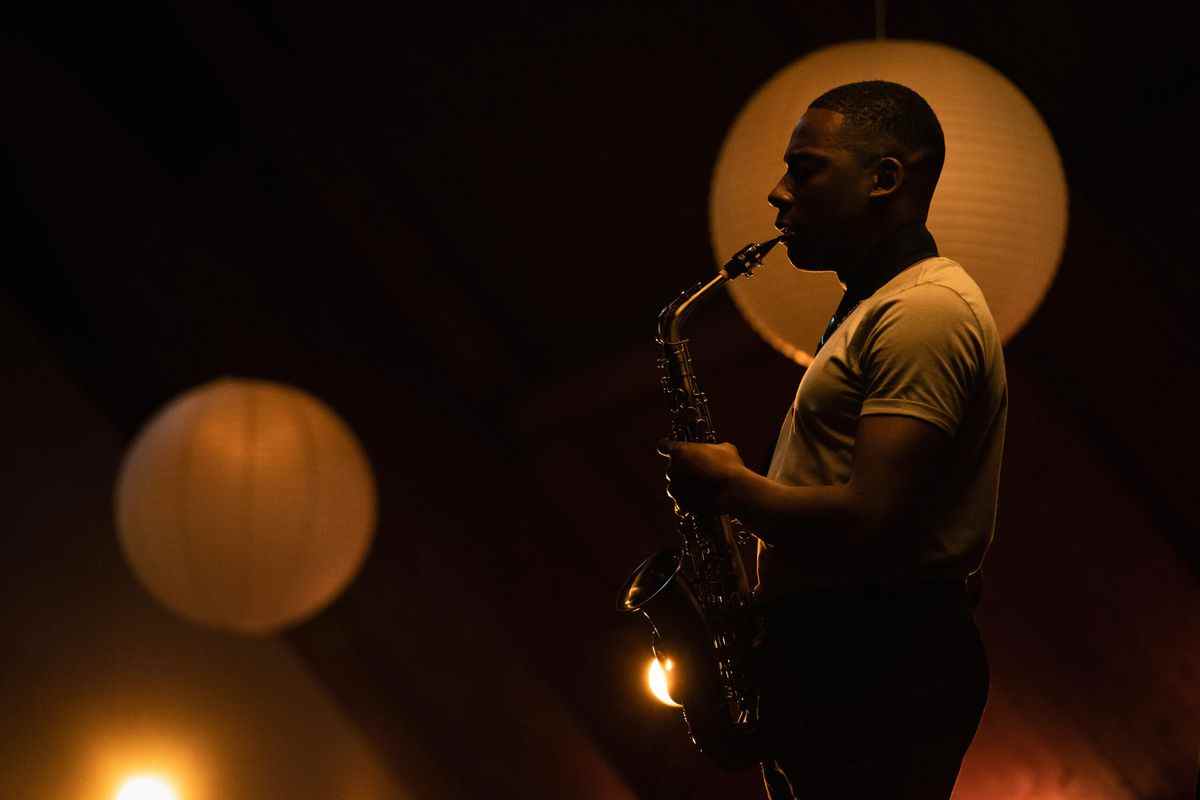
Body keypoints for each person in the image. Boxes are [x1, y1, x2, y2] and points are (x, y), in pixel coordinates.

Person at [659, 80, 1007, 798]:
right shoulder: (876, 309)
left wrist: (730, 487)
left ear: (884, 179)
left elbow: (872, 518)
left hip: (881, 657)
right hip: (853, 650)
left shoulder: (925, 313)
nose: (778, 194)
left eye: (806, 168)